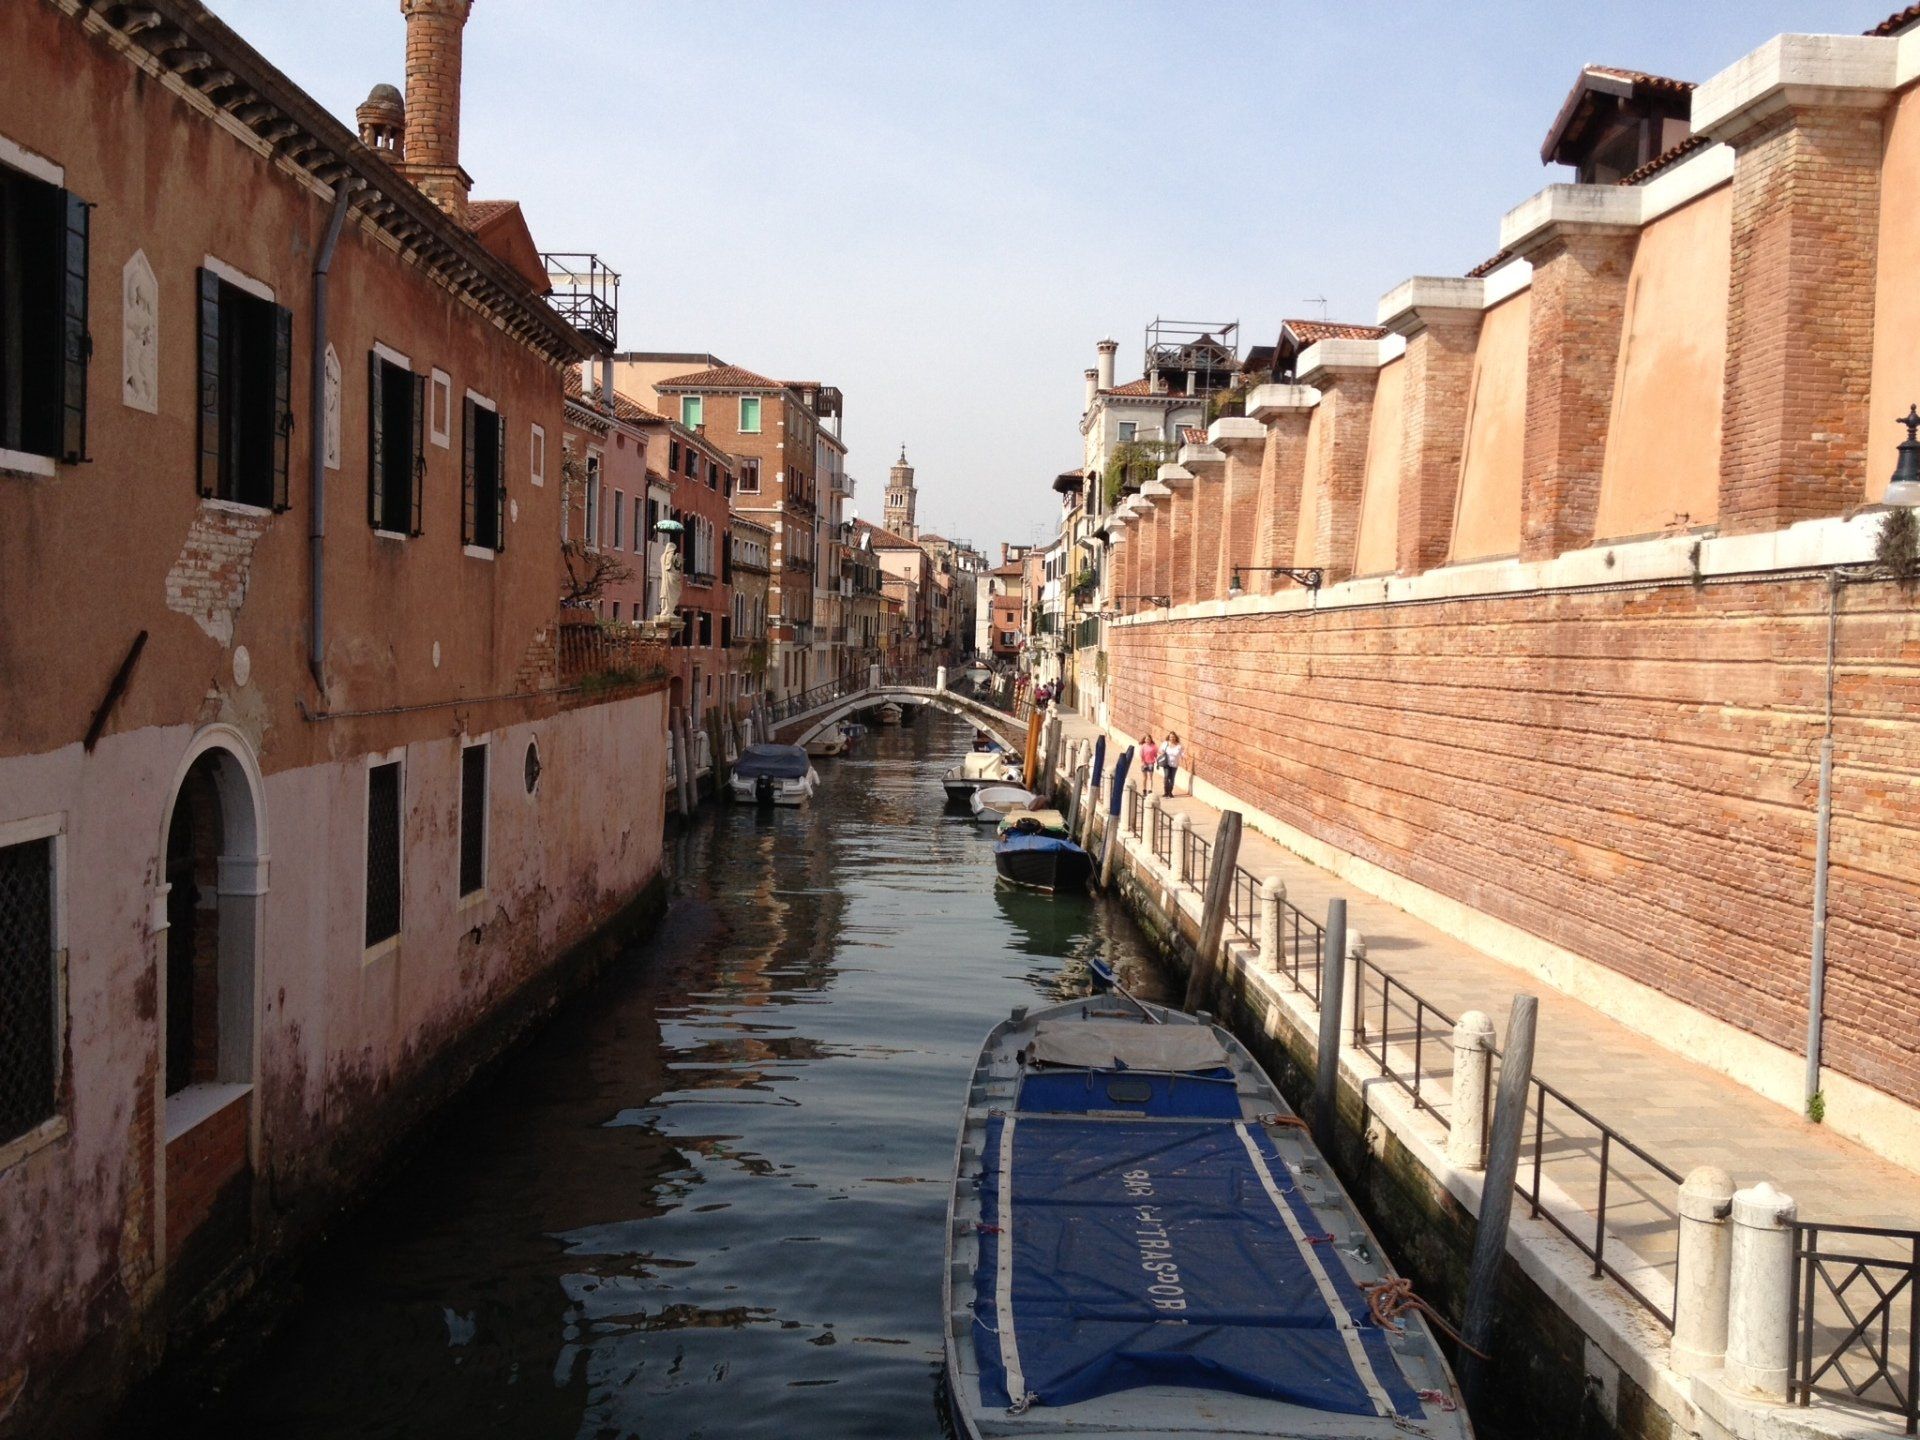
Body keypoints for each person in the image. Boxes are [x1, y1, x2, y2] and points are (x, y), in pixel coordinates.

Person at [1160, 731, 1183, 797]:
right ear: (1169, 737)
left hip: (1174, 764)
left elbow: (1181, 753)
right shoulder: (1165, 743)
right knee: (1166, 776)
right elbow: (1160, 750)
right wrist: (1162, 752)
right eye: (1170, 737)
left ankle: (1170, 792)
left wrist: (1184, 756)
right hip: (1166, 763)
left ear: (1175, 738)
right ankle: (1166, 792)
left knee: (1172, 778)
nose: (1172, 738)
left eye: (1173, 737)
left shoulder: (1179, 745)